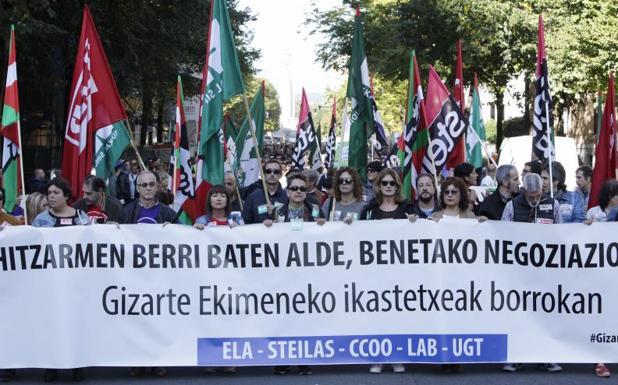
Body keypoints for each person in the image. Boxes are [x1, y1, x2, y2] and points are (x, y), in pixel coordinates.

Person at [263, 173, 324, 376]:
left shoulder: (315, 209)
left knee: (304, 318)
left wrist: (326, 225)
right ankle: (282, 359)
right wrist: (266, 224)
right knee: (283, 318)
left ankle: (303, 359)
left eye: (302, 189)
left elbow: (328, 232)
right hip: (281, 273)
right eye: (294, 188)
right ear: (287, 191)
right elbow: (257, 227)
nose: (299, 192)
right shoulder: (276, 209)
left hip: (307, 272)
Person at [31, 177, 88, 382]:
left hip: (75, 283)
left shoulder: (82, 218)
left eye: (56, 193)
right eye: (49, 193)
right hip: (50, 284)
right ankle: (51, 366)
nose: (51, 196)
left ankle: (76, 365)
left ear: (66, 195)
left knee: (76, 324)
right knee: (51, 325)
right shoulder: (40, 220)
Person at [242, 159, 288, 224]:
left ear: (280, 175)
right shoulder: (253, 197)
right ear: (263, 174)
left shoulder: (287, 197)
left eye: (276, 171)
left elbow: (290, 220)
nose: (272, 174)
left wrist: (275, 213)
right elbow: (245, 220)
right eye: (268, 171)